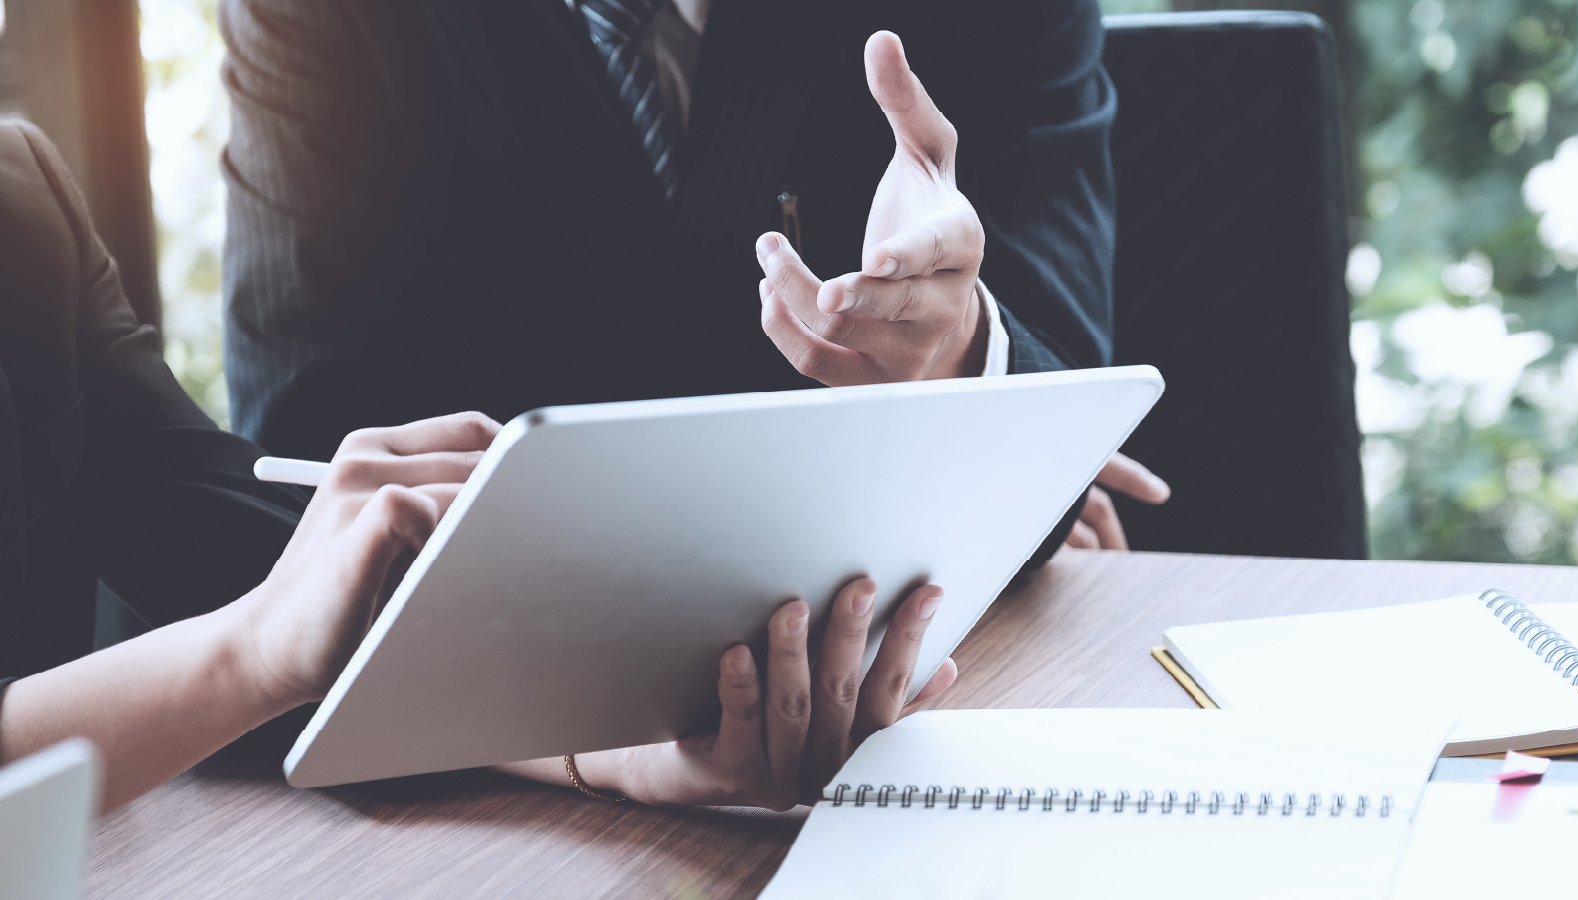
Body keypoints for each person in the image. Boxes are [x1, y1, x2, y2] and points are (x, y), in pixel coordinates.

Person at [0, 120, 954, 812]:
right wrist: (248, 652)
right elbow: (245, 643)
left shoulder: (18, 198)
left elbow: (231, 568)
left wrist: (627, 748)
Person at [219, 1, 1169, 550]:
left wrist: (962, 358)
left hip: (907, 653)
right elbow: (312, 460)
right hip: (496, 699)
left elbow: (1060, 402)